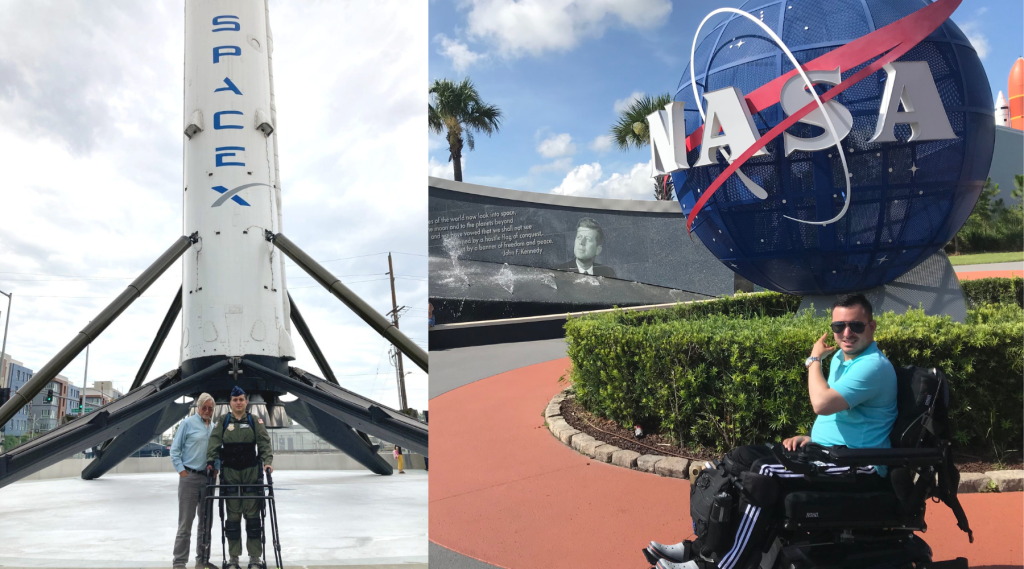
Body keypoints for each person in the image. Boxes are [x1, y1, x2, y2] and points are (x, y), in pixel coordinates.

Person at [649, 294, 898, 569]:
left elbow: (822, 403)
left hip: (858, 465)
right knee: (737, 460)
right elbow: (851, 416)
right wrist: (813, 438)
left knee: (764, 474)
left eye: (856, 326)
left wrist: (814, 359)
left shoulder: (872, 365)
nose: (846, 333)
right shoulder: (843, 357)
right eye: (839, 327)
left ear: (872, 327)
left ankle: (721, 566)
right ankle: (700, 549)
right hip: (827, 453)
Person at [206, 386, 274, 569]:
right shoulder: (223, 420)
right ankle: (233, 558)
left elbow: (264, 442)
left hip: (251, 474)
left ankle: (254, 558)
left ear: (246, 402)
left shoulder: (254, 421)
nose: (238, 403)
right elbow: (214, 442)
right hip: (230, 474)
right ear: (230, 402)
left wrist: (267, 462)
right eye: (235, 400)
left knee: (253, 519)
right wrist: (211, 461)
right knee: (232, 519)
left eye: (241, 400)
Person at [171, 393, 217, 569]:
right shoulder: (187, 424)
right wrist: (182, 472)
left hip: (208, 479)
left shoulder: (213, 427)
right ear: (198, 408)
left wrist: (216, 469)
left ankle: (202, 560)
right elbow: (175, 450)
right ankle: (180, 562)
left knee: (205, 523)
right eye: (204, 407)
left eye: (210, 408)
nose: (207, 411)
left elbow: (216, 451)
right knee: (185, 523)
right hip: (189, 478)